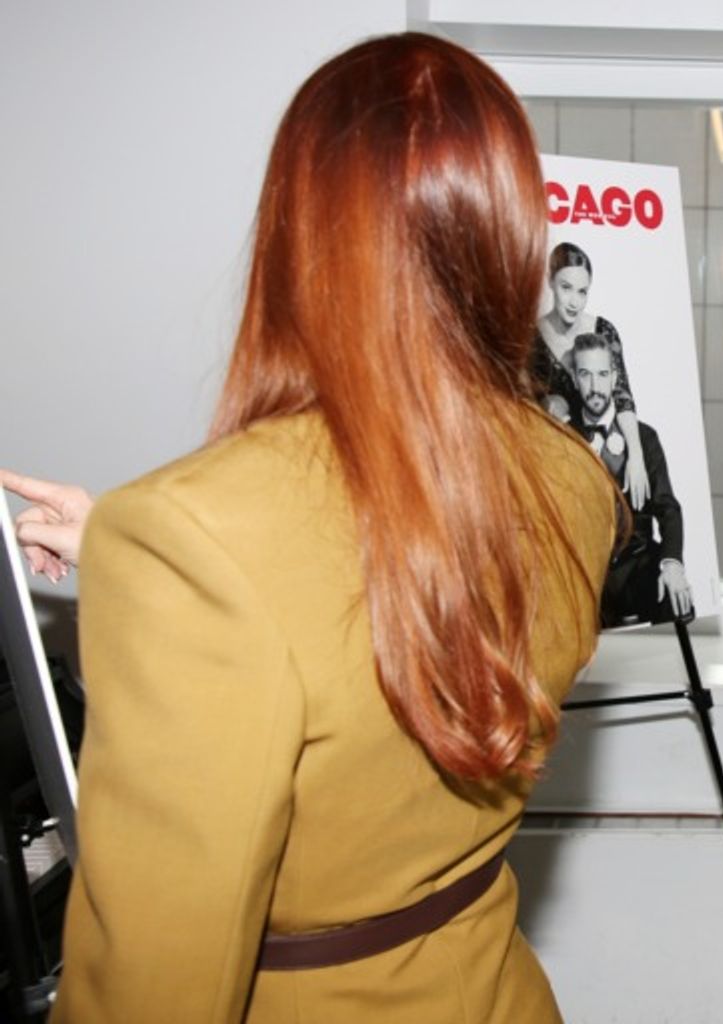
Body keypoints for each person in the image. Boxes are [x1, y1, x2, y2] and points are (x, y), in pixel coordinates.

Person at [22, 33, 616, 1024]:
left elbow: (152, 984)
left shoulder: (199, 538)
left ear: (297, 229)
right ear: (506, 231)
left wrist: (174, 551)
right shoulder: (574, 478)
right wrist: (138, 555)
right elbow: (412, 579)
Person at [571, 333, 692, 626]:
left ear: (614, 377)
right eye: (585, 375)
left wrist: (672, 564)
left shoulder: (645, 438)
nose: (595, 386)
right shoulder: (564, 439)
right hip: (588, 570)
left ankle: (676, 671)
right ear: (574, 379)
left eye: (602, 375)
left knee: (675, 599)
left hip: (638, 564)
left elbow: (668, 509)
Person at [532, 241, 652, 511]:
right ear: (550, 281)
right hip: (557, 454)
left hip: (606, 448)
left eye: (582, 291)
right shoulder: (532, 336)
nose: (574, 301)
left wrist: (636, 455)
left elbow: (622, 396)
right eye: (566, 288)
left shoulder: (604, 329)